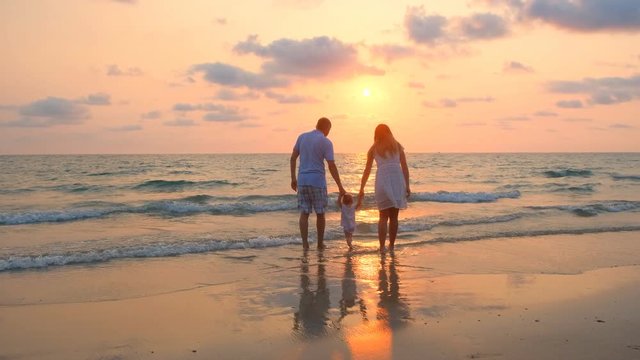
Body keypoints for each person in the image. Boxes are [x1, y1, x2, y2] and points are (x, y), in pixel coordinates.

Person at [290, 117, 346, 249]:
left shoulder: (302, 137)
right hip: (317, 182)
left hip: (302, 180)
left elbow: (292, 158)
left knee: (304, 213)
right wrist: (340, 186)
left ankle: (305, 244)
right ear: (327, 128)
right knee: (320, 214)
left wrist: (293, 178)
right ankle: (320, 244)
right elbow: (331, 165)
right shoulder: (326, 142)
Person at [357, 124, 410, 251]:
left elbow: (367, 170)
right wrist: (407, 185)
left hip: (382, 180)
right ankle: (391, 246)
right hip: (397, 180)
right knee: (394, 217)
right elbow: (405, 167)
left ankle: (382, 248)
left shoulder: (374, 148)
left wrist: (362, 188)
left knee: (383, 216)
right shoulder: (397, 146)